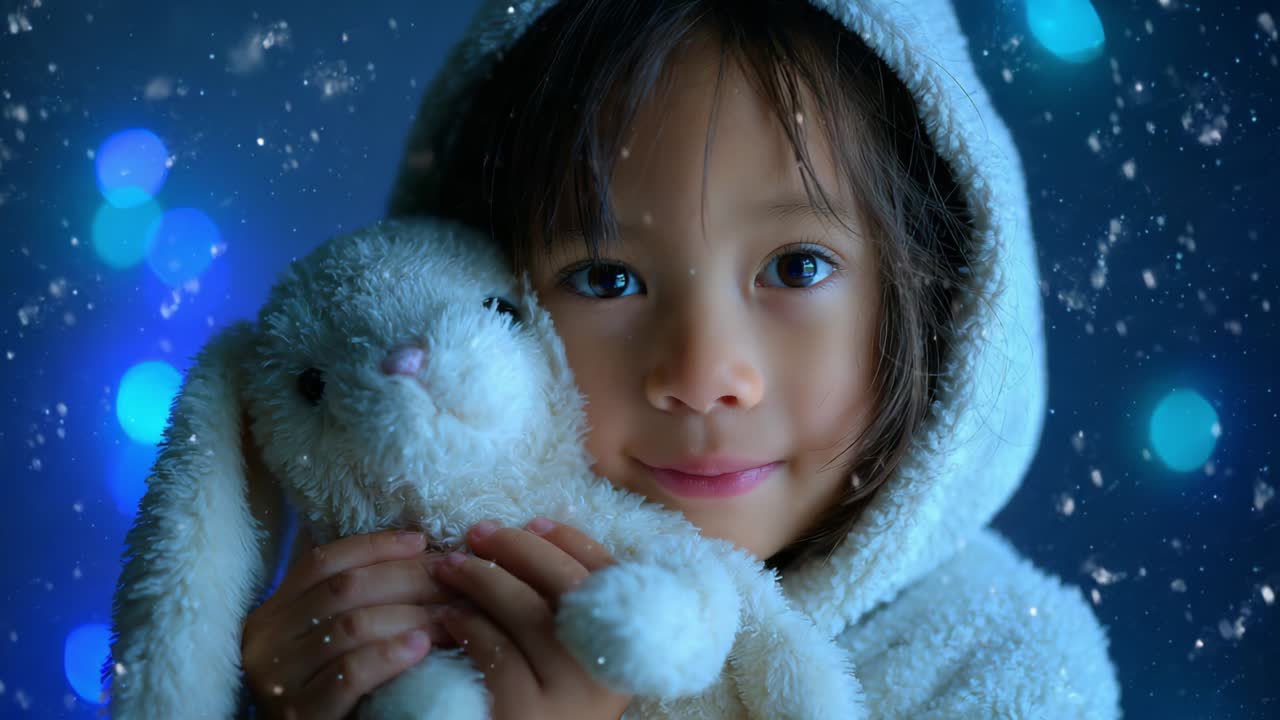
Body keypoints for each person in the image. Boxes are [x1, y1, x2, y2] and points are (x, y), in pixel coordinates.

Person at [239, 0, 1121, 718]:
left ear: (931, 297)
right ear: (482, 281)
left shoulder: (1004, 666)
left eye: (797, 267)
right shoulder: (410, 616)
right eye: (606, 277)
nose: (702, 375)